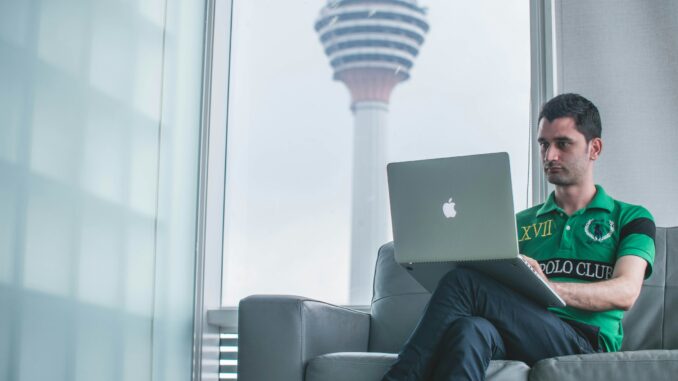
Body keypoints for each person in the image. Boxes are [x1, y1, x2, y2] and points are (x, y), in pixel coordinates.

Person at [381, 93, 656, 381]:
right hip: (520, 334)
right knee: (469, 330)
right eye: (544, 145)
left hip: (586, 342)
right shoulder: (519, 223)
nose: (550, 156)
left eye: (563, 144)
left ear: (594, 148)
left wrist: (548, 287)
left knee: (463, 284)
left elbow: (626, 292)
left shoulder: (631, 217)